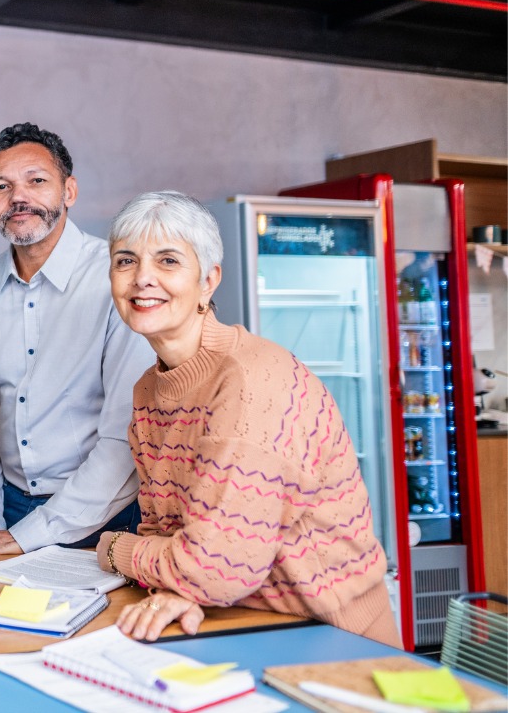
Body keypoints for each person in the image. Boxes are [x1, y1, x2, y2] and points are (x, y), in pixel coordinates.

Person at [98, 191, 400, 647]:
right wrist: (185, 585)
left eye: (168, 261)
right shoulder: (149, 389)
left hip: (331, 635)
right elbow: (171, 537)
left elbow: (214, 567)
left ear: (208, 281)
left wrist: (112, 550)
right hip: (229, 621)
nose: (143, 279)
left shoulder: (249, 381)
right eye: (125, 261)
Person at [0, 123, 153, 555]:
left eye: (37, 181)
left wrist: (30, 535)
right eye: (1, 186)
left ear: (69, 191)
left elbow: (125, 435)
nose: (18, 197)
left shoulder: (119, 277)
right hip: (7, 509)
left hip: (108, 516)